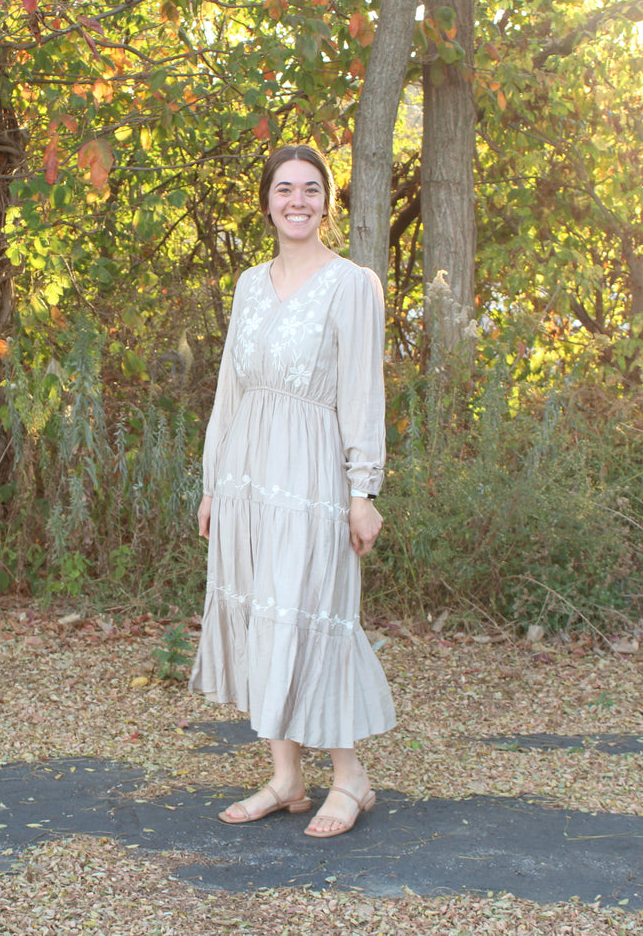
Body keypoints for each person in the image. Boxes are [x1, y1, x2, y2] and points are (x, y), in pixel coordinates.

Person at [190, 144, 395, 839]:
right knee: (261, 614)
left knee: (314, 613)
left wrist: (362, 491)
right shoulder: (249, 284)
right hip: (246, 476)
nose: (297, 200)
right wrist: (213, 482)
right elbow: (230, 389)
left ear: (327, 203)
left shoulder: (350, 284)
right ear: (267, 202)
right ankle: (285, 778)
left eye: (311, 188)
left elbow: (363, 392)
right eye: (285, 188)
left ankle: (349, 776)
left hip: (311, 476)